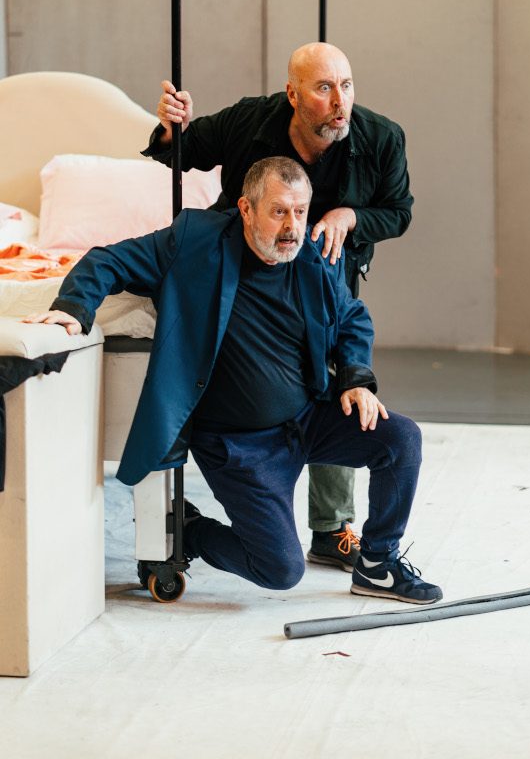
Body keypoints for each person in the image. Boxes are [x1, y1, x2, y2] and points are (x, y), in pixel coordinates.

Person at [25, 158, 441, 605]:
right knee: (280, 569)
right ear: (245, 208)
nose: (292, 227)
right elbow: (109, 260)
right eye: (279, 211)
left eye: (300, 212)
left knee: (401, 439)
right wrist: (73, 308)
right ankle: (189, 531)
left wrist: (357, 379)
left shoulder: (311, 255)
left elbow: (351, 318)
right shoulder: (194, 242)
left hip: (307, 419)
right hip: (239, 446)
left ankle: (378, 565)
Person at [144, 41, 414, 573]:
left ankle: (331, 527)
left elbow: (398, 212)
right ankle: (237, 489)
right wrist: (172, 130)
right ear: (292, 95)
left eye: (347, 85)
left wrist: (348, 217)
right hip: (242, 271)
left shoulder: (381, 138)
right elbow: (182, 152)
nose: (341, 101)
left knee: (340, 376)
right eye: (323, 88)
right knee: (265, 381)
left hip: (325, 273)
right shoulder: (250, 121)